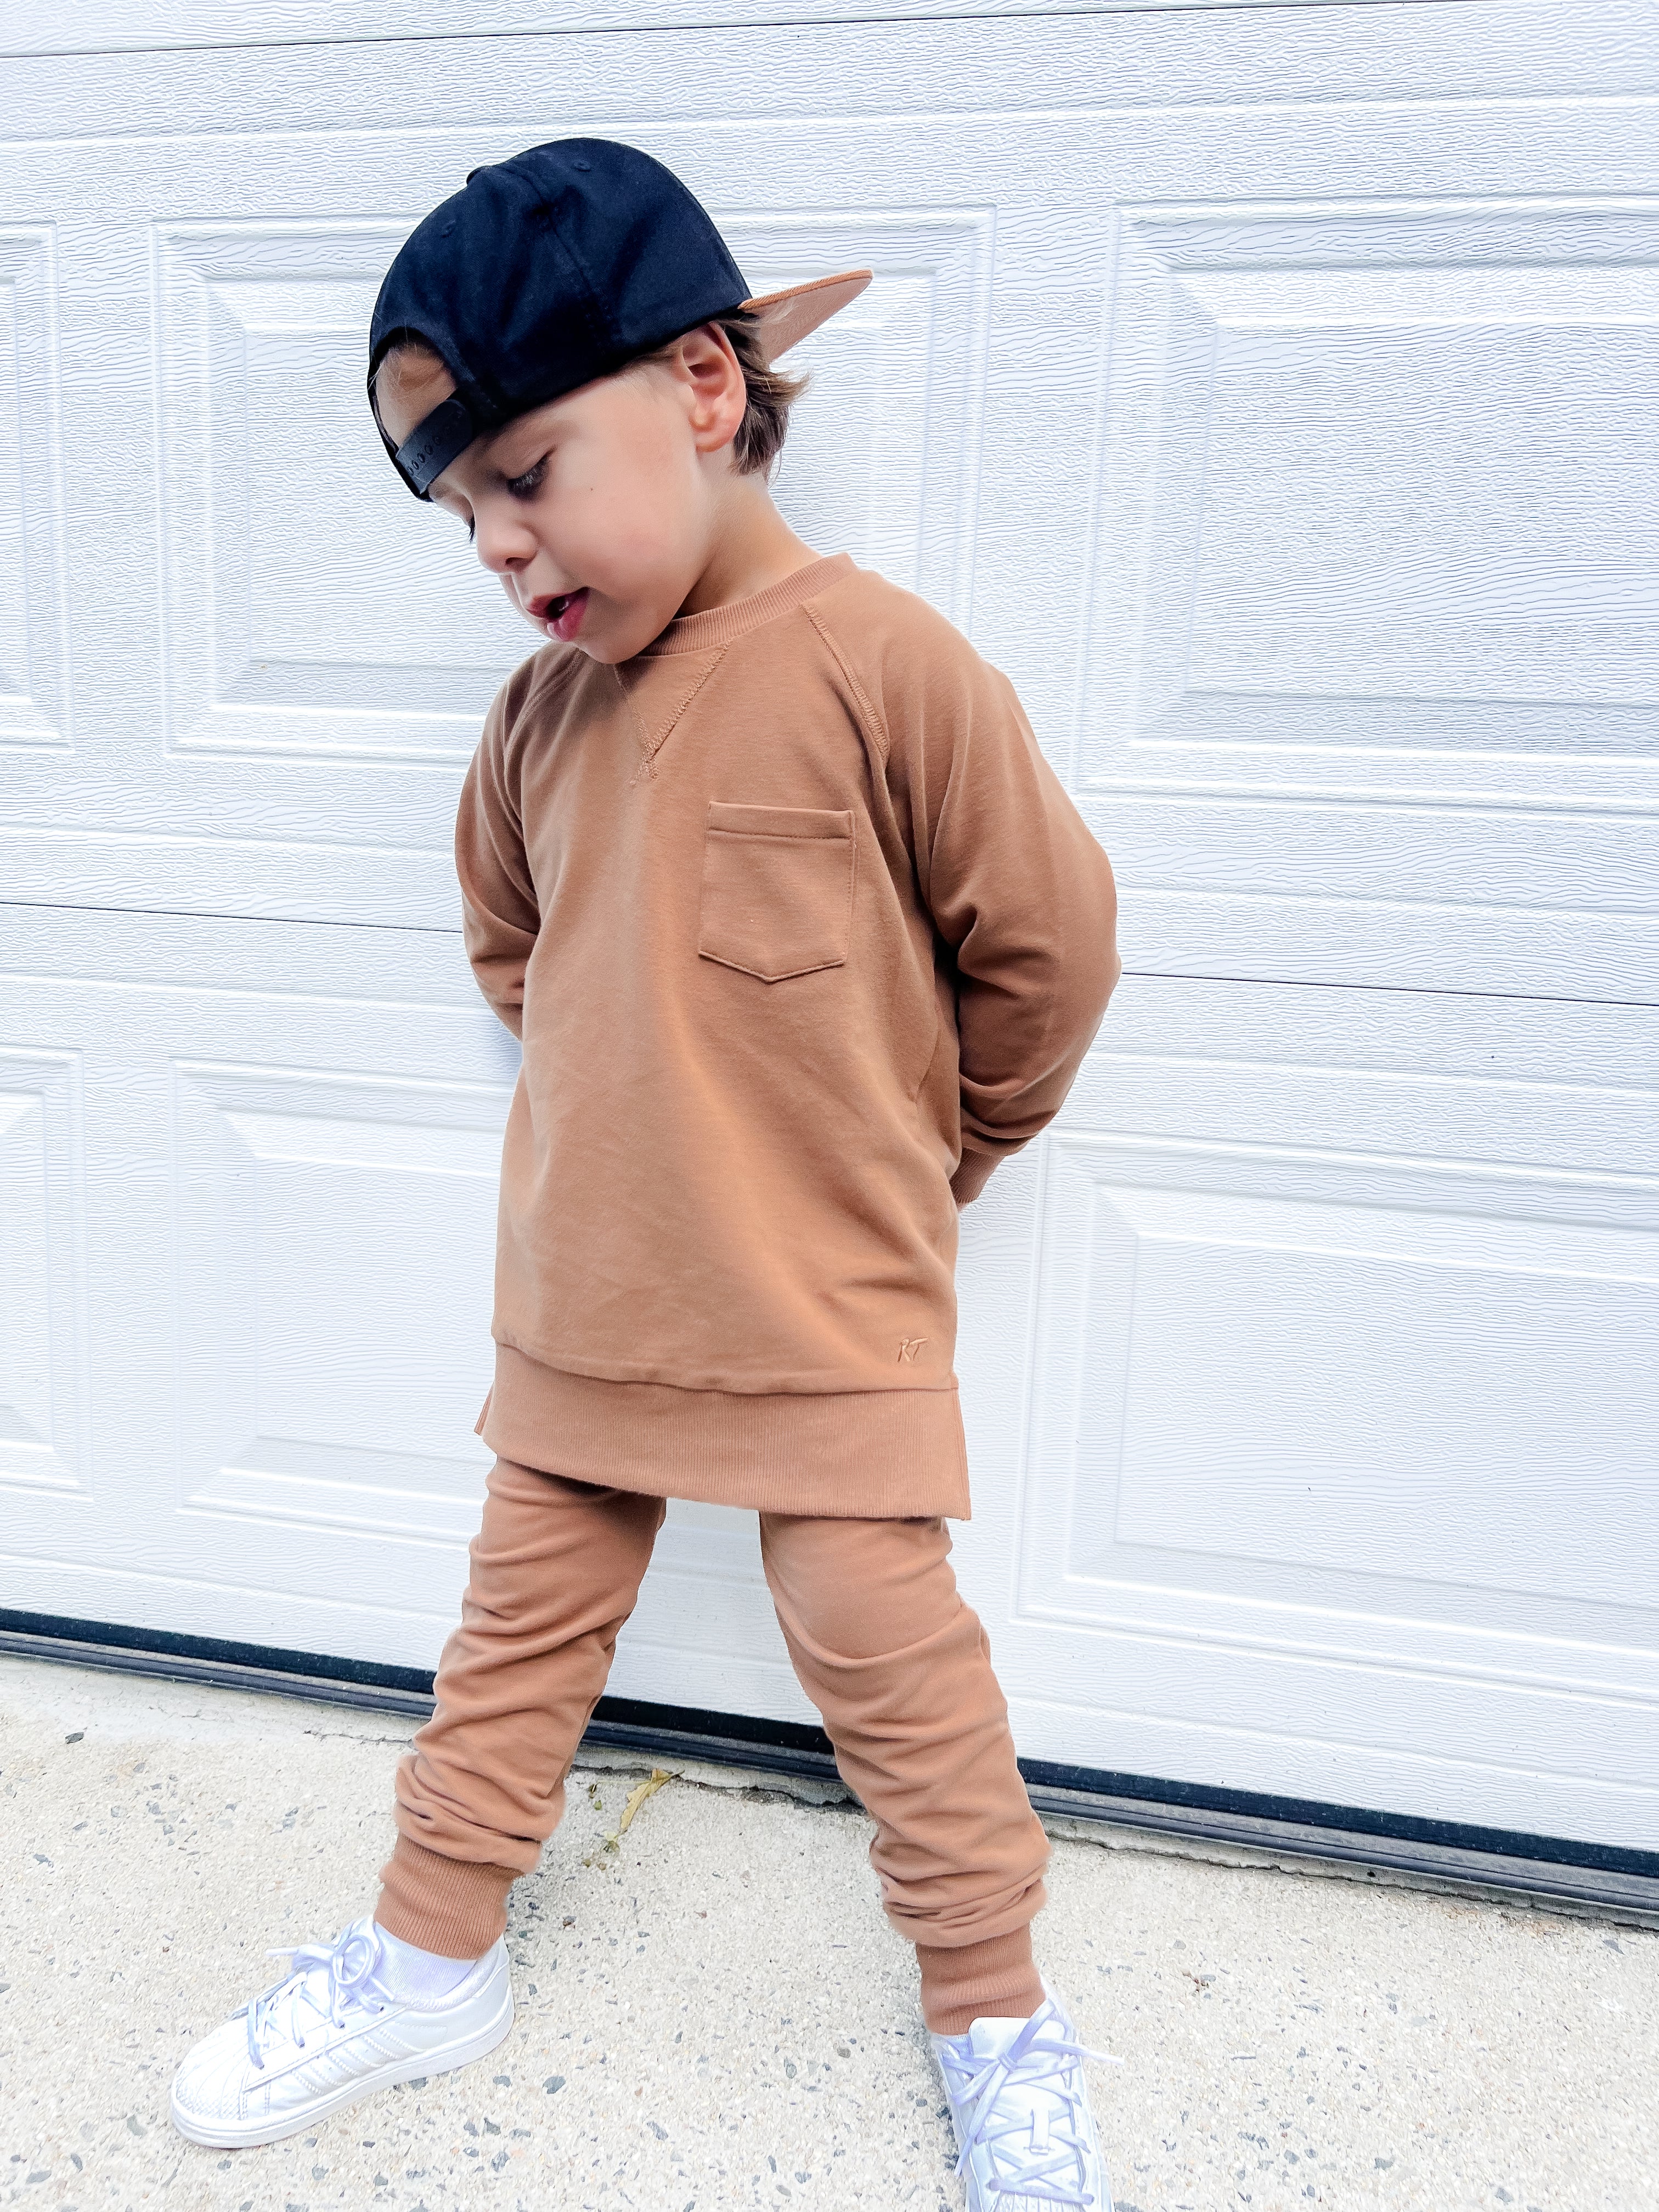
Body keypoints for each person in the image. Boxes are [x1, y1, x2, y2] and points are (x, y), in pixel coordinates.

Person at [169, 137, 1124, 2208]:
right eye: (464, 517)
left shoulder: (888, 669)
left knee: (880, 1640)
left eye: (527, 476)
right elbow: (514, 941)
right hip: (591, 1294)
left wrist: (940, 1146)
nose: (503, 549)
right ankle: (431, 1961)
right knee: (512, 1638)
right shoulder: (538, 720)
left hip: (826, 1299)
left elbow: (1045, 952)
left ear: (707, 388)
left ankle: (993, 2009)